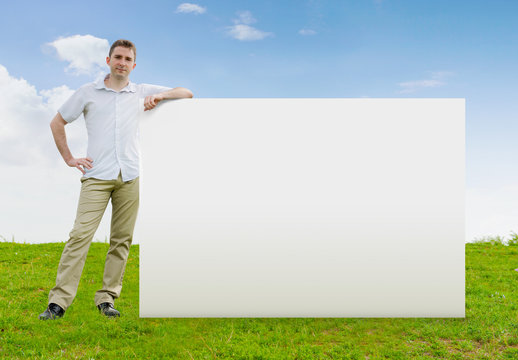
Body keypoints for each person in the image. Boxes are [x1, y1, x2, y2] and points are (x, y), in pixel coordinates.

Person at [39, 39, 193, 320]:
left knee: (121, 240)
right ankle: (58, 303)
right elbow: (57, 122)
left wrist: (160, 97)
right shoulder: (88, 92)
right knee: (79, 237)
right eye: (117, 57)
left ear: (134, 65)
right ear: (108, 60)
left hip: (130, 176)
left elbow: (187, 93)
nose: (122, 62)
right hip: (96, 176)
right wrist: (69, 158)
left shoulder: (141, 91)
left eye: (127, 59)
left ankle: (106, 299)